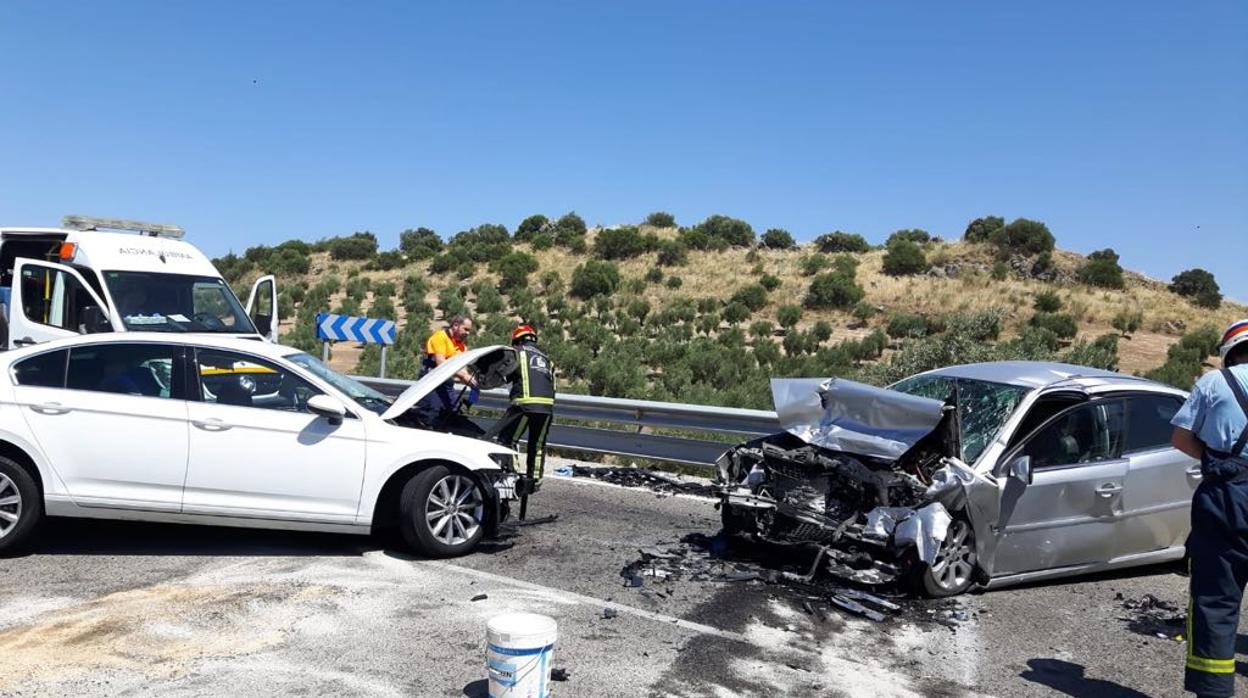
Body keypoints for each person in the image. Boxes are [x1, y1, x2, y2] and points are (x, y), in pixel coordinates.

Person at [1171, 319, 1248, 698]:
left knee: (1215, 604)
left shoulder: (1214, 383)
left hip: (1225, 500)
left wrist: (1217, 460)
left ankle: (1214, 691)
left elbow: (1181, 437)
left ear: (1229, 351)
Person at [487, 324, 556, 517]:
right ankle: (534, 480)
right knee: (538, 444)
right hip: (546, 407)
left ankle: (515, 478)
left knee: (507, 441)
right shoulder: (546, 358)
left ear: (517, 339)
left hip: (523, 405)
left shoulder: (516, 352)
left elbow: (503, 375)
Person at [414, 316, 477, 429]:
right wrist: (464, 376)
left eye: (469, 331)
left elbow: (463, 370)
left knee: (454, 412)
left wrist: (472, 381)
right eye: (465, 329)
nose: (467, 333)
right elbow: (441, 363)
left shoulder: (462, 347)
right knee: (432, 412)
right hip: (431, 380)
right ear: (455, 325)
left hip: (446, 383)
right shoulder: (440, 337)